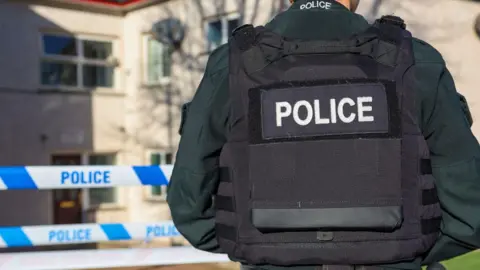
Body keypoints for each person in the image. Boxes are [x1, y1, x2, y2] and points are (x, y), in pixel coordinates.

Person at [167, 0, 480, 269]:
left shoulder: (231, 66)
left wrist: (259, 248)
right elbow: (470, 212)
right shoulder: (416, 61)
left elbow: (189, 207)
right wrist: (403, 252)